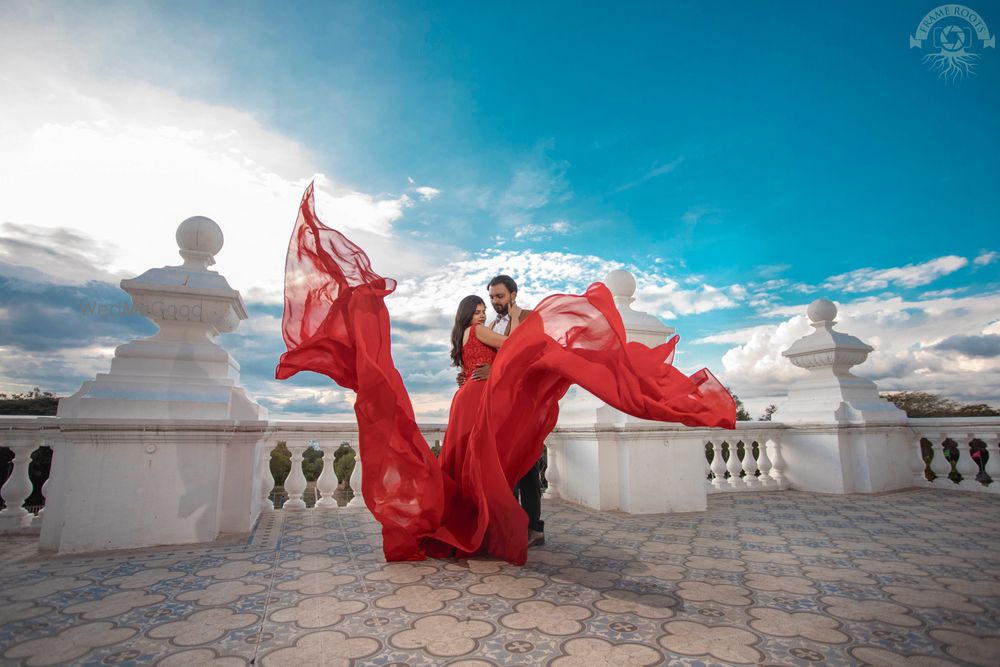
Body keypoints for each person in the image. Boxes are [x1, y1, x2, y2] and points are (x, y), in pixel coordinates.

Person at [276, 183, 737, 566]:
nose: (489, 303)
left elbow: (499, 355)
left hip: (478, 400)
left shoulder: (483, 328)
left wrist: (504, 350)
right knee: (497, 465)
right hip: (483, 401)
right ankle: (508, 526)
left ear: (508, 294)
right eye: (485, 300)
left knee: (493, 465)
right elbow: (514, 350)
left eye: (495, 297)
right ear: (478, 309)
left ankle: (514, 524)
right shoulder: (492, 327)